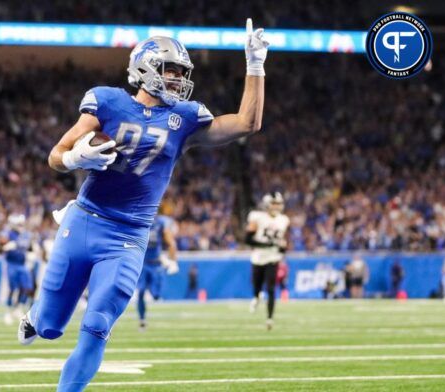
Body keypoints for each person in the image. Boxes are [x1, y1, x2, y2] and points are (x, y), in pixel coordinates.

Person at [18, 19, 268, 391]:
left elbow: (247, 123)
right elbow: (56, 154)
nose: (177, 79)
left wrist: (255, 66)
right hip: (84, 221)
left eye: (182, 72)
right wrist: (75, 159)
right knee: (51, 327)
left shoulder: (183, 118)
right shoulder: (107, 101)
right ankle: (38, 314)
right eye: (171, 70)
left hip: (129, 234)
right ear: (145, 66)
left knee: (98, 322)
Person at [246, 192, 290, 330]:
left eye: (278, 203)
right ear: (267, 204)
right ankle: (256, 296)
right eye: (273, 203)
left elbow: (283, 242)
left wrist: (282, 248)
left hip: (273, 257)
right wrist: (267, 245)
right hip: (258, 256)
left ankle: (269, 318)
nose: (276, 206)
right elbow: (248, 240)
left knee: (271, 289)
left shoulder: (284, 220)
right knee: (257, 286)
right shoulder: (257, 217)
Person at [137, 214, 178, 330]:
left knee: (156, 296)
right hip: (143, 263)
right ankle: (142, 319)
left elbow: (171, 242)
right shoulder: (140, 220)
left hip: (156, 264)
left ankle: (151, 288)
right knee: (141, 292)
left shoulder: (160, 223)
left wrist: (172, 260)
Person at [0, 214, 37, 325]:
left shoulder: (26, 235)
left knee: (27, 287)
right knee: (13, 289)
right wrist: (5, 247)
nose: (21, 226)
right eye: (19, 224)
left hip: (22, 264)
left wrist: (32, 254)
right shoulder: (7, 233)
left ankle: (18, 308)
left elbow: (30, 248)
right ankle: (8, 312)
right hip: (11, 263)